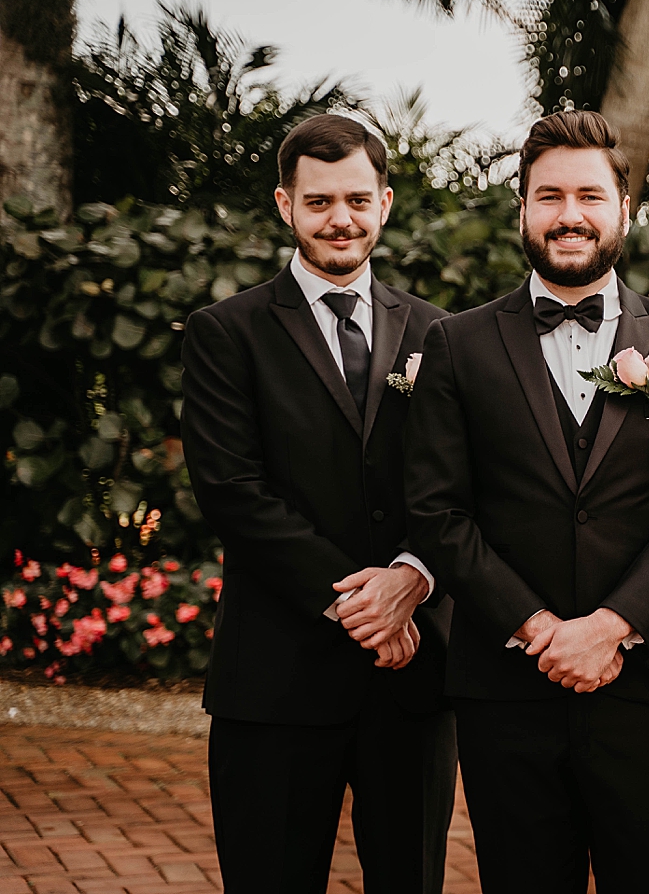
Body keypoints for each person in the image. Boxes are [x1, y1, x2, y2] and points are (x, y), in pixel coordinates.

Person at [403, 109, 649, 894]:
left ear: (625, 207)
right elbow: (438, 510)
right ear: (522, 208)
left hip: (646, 693)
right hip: (506, 692)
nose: (569, 215)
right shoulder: (457, 344)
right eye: (549, 196)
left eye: (589, 195)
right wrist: (539, 628)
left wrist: (611, 626)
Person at [181, 114, 457, 892]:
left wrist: (412, 580)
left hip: (412, 678)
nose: (341, 218)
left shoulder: (440, 334)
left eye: (358, 200)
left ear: (385, 204)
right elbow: (233, 491)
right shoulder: (225, 332)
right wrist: (364, 608)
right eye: (320, 201)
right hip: (277, 675)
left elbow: (459, 484)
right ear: (285, 205)